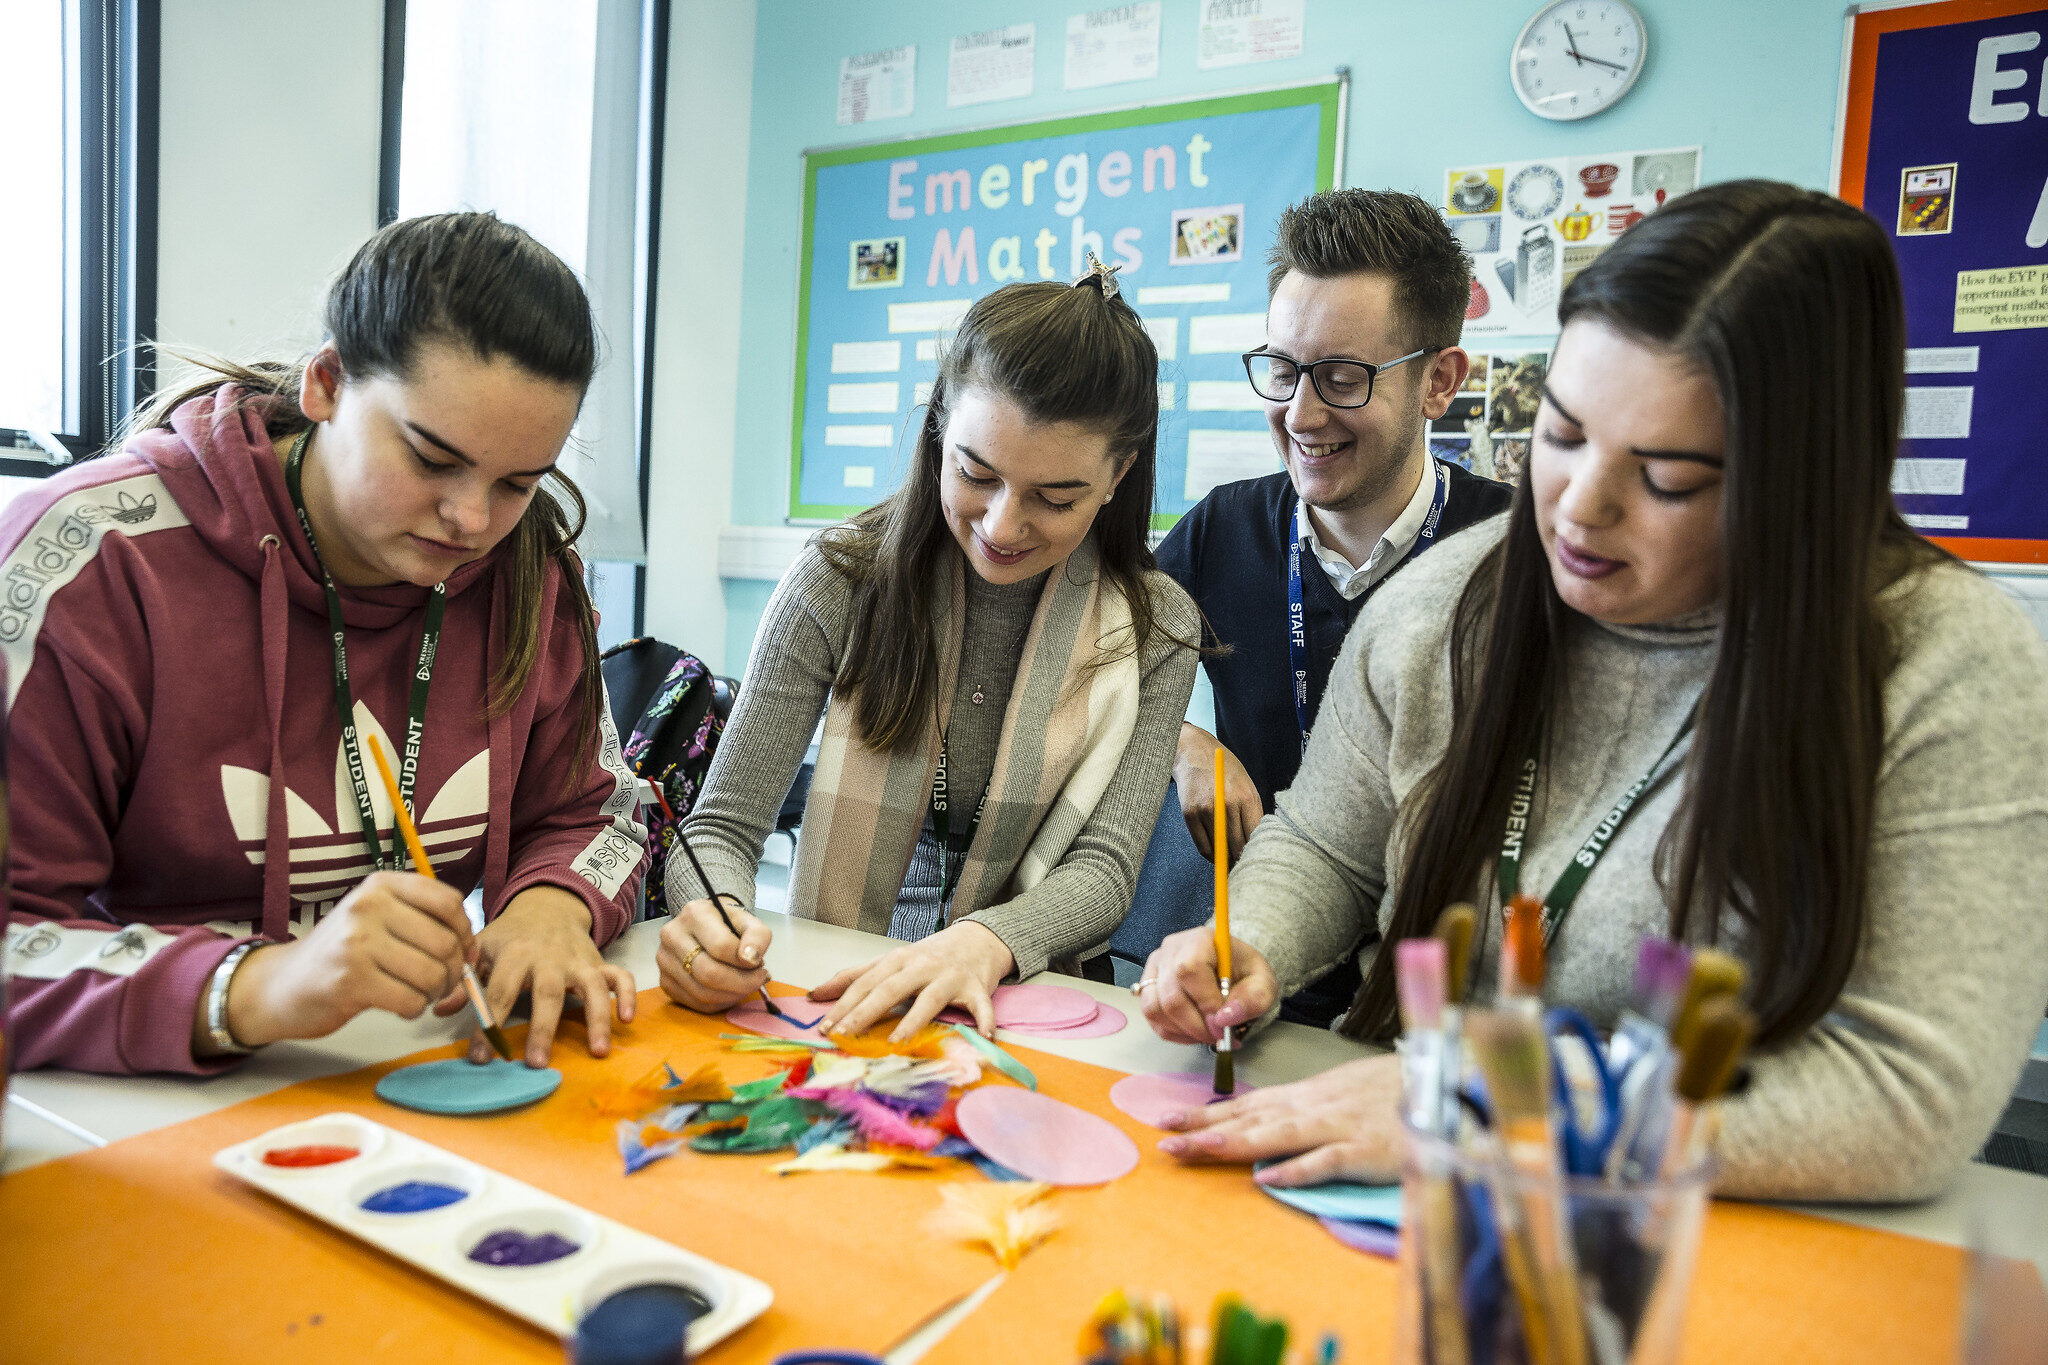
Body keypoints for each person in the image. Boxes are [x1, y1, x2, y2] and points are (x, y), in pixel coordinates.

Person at [1138, 180, 2048, 1202]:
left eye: (1662, 475)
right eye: (1561, 436)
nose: (1577, 508)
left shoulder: (1944, 664)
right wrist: (1248, 939)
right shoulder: (1450, 601)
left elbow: (1904, 1094)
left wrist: (1485, 1107)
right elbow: (1327, 845)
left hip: (1697, 1231)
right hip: (1395, 1179)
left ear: (1801, 477)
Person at [3, 212, 648, 1076]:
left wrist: (552, 905)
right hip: (124, 1108)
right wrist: (255, 986)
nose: (471, 519)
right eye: (430, 458)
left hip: (402, 1081)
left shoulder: (530, 574)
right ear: (328, 383)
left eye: (517, 482)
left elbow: (594, 814)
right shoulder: (88, 562)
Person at [661, 262, 1200, 1041]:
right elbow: (721, 828)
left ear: (1118, 474)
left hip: (1035, 1007)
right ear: (940, 425)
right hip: (837, 986)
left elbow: (1106, 870)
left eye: (1056, 498)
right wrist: (715, 917)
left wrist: (983, 944)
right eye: (976, 474)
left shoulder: (1154, 627)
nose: (1003, 526)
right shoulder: (836, 581)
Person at [1151, 189, 1510, 1025]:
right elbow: (1089, 673)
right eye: (1282, 370)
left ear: (1439, 382)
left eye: (1343, 379)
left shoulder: (1514, 550)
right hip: (1266, 965)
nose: (1301, 414)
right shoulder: (1223, 529)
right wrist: (1184, 740)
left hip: (1453, 1005)